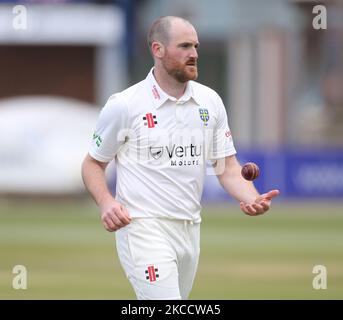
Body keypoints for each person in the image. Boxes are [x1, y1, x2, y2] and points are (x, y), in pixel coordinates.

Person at [81, 16, 280, 300]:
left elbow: (226, 167)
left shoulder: (209, 101)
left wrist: (250, 196)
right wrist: (106, 202)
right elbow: (92, 163)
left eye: (196, 46)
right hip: (142, 227)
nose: (194, 54)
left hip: (190, 228)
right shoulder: (125, 105)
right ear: (158, 49)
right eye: (185, 46)